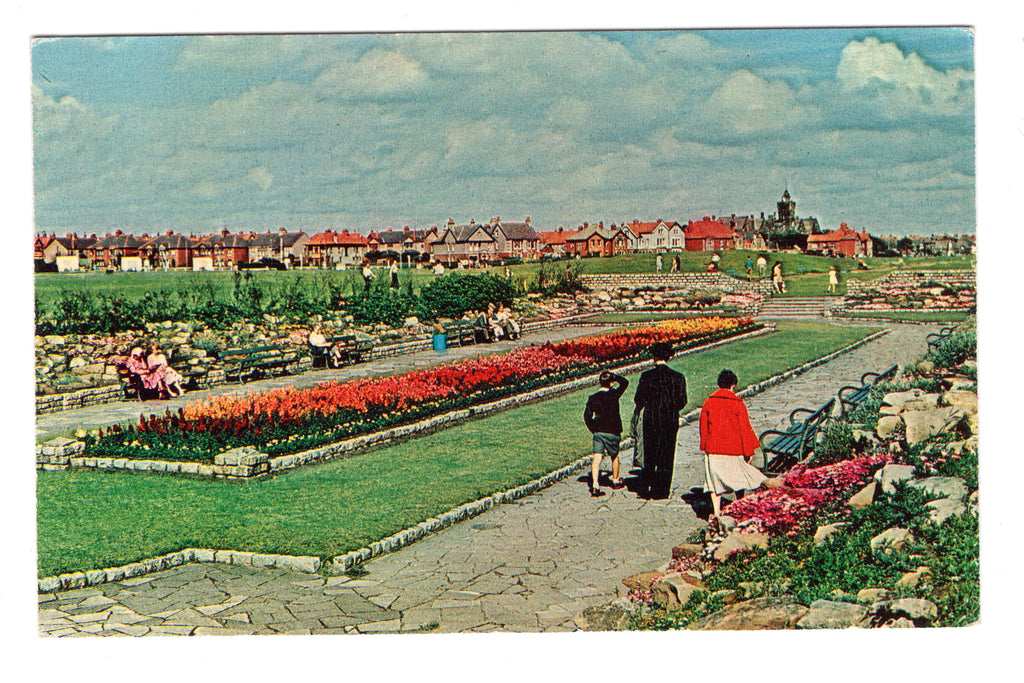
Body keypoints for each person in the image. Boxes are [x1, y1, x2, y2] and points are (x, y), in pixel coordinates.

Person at [700, 369, 771, 517]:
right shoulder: (737, 403)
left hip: (714, 449)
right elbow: (745, 428)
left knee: (714, 484)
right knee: (740, 478)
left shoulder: (709, 402)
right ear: (733, 385)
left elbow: (703, 428)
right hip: (734, 448)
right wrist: (749, 451)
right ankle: (740, 505)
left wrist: (705, 446)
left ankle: (717, 513)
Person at [631, 341, 687, 499]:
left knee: (650, 454)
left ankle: (646, 486)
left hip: (652, 419)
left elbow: (638, 399)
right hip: (669, 420)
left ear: (654, 356)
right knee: (667, 454)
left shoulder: (646, 376)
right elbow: (682, 401)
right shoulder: (678, 377)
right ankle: (662, 490)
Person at [583, 370, 630, 497]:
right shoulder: (614, 394)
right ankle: (615, 480)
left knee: (597, 457)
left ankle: (595, 485)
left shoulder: (593, 398)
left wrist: (594, 428)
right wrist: (615, 377)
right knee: (614, 456)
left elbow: (587, 416)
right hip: (613, 430)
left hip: (599, 431)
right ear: (611, 383)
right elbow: (625, 382)